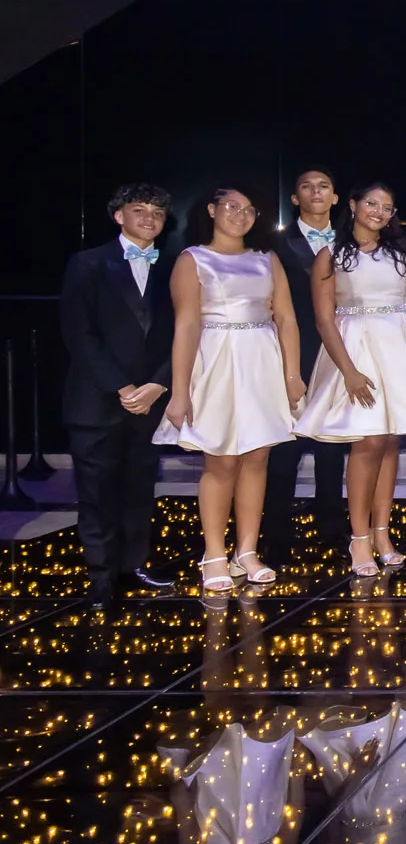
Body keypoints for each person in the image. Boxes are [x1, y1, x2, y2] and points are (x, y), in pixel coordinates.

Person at [295, 183, 406, 577]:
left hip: (402, 350)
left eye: (387, 207)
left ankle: (382, 534)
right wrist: (348, 370)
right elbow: (323, 319)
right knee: (367, 442)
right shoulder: (330, 256)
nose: (379, 212)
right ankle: (359, 538)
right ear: (352, 205)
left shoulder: (405, 252)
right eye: (371, 203)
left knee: (390, 441)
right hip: (356, 351)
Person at [156, 186, 304, 592]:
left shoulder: (266, 259)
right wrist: (180, 390)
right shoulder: (193, 259)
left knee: (257, 457)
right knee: (220, 461)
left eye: (249, 209)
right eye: (232, 207)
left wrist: (293, 375)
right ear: (211, 210)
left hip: (261, 360)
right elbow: (185, 327)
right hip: (217, 361)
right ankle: (214, 553)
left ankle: (247, 550)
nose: (241, 215)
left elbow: (287, 319)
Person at [60, 182, 178, 607]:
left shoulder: (174, 267)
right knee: (95, 491)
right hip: (97, 399)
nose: (149, 218)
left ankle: (133, 566)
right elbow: (79, 333)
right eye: (139, 209)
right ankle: (101, 576)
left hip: (151, 400)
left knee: (138, 488)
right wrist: (124, 387)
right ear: (119, 216)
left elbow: (184, 334)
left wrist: (158, 384)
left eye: (158, 213)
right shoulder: (88, 263)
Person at [266, 168, 348, 553]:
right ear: (295, 198)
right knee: (286, 449)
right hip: (293, 352)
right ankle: (277, 534)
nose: (316, 192)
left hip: (341, 354)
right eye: (306, 186)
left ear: (335, 197)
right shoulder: (274, 245)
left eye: (324, 186)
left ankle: (332, 529)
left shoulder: (353, 242)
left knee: (332, 447)